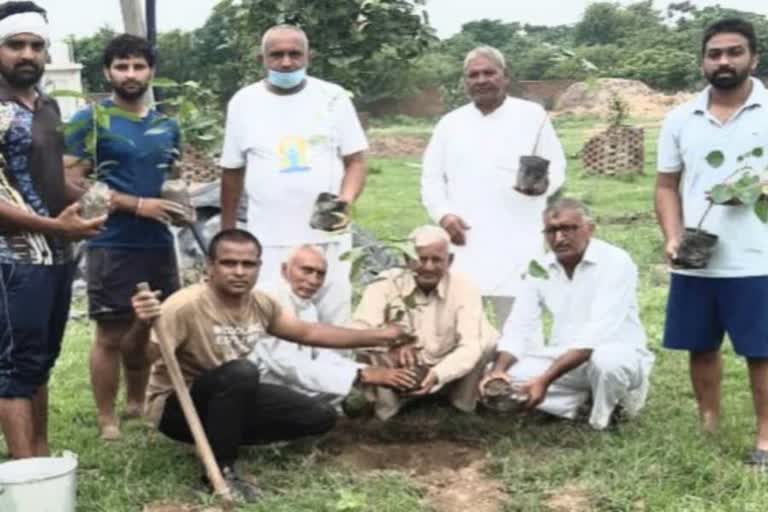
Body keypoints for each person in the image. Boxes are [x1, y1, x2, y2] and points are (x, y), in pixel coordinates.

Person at [126, 228, 409, 501]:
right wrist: (141, 325)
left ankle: (223, 438)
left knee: (320, 416)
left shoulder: (260, 303)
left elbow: (309, 333)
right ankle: (220, 472)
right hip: (178, 408)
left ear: (259, 267)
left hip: (229, 399)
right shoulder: (185, 305)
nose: (239, 271)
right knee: (242, 372)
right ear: (210, 267)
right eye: (229, 263)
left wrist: (378, 335)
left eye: (248, 264)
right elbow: (137, 361)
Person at [655, 18, 768, 468]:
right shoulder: (680, 118)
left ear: (753, 58)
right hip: (697, 256)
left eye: (734, 52)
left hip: (758, 256)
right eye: (715, 53)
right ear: (703, 61)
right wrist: (673, 236)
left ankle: (765, 438)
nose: (724, 61)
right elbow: (666, 185)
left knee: (762, 350)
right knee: (700, 345)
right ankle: (709, 425)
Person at [64, 34, 185, 440]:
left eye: (138, 66)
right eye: (121, 66)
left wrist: (178, 206)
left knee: (150, 325)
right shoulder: (90, 120)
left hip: (158, 242)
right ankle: (106, 419)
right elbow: (71, 181)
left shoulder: (167, 124)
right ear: (107, 71)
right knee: (111, 332)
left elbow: (172, 179)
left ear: (151, 71)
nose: (130, 74)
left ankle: (137, 403)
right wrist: (134, 205)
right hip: (111, 239)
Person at [0, 1, 105, 459]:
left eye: (35, 46)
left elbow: (48, 175)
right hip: (11, 259)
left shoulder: (47, 106)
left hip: (57, 255)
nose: (26, 54)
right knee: (11, 368)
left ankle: (40, 457)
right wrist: (51, 225)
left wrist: (87, 197)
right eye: (14, 45)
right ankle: (28, 478)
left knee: (40, 361)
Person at [220, 24, 367, 326]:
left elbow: (356, 161)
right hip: (270, 236)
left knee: (334, 319)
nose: (286, 62)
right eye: (276, 55)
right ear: (262, 59)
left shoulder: (332, 98)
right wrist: (228, 231)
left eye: (294, 54)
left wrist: (345, 201)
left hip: (326, 235)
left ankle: (336, 372)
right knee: (272, 319)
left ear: (308, 56)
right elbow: (232, 173)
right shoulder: (244, 102)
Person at [421, 46, 566, 327]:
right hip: (465, 237)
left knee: (520, 325)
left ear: (505, 76)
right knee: (463, 324)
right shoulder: (450, 124)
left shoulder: (532, 116)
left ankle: (518, 371)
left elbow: (557, 167)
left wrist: (543, 186)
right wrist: (444, 215)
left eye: (489, 72)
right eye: (473, 75)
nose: (481, 80)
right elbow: (431, 178)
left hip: (518, 236)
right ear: (465, 82)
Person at [480, 199, 654, 430]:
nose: (559, 238)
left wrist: (544, 380)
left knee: (607, 363)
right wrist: (498, 371)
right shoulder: (540, 268)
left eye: (568, 229)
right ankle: (580, 404)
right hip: (566, 358)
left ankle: (603, 419)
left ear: (589, 229)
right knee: (501, 374)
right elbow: (519, 326)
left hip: (616, 353)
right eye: (551, 231)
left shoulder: (615, 261)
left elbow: (595, 336)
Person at [350, 225, 498, 421]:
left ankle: (462, 405)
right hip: (398, 367)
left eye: (437, 260)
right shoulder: (386, 284)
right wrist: (392, 343)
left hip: (446, 364)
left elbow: (470, 345)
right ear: (406, 259)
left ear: (450, 261)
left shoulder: (465, 287)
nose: (428, 267)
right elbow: (357, 332)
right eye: (421, 258)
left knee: (486, 340)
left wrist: (438, 374)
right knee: (367, 345)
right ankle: (387, 411)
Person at [251, 244, 420, 409]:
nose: (313, 280)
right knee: (326, 404)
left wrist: (365, 369)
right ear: (284, 269)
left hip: (286, 379)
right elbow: (288, 364)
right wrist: (360, 375)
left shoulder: (306, 306)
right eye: (307, 270)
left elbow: (318, 356)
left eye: (320, 274)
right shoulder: (268, 297)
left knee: (336, 386)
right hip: (259, 383)